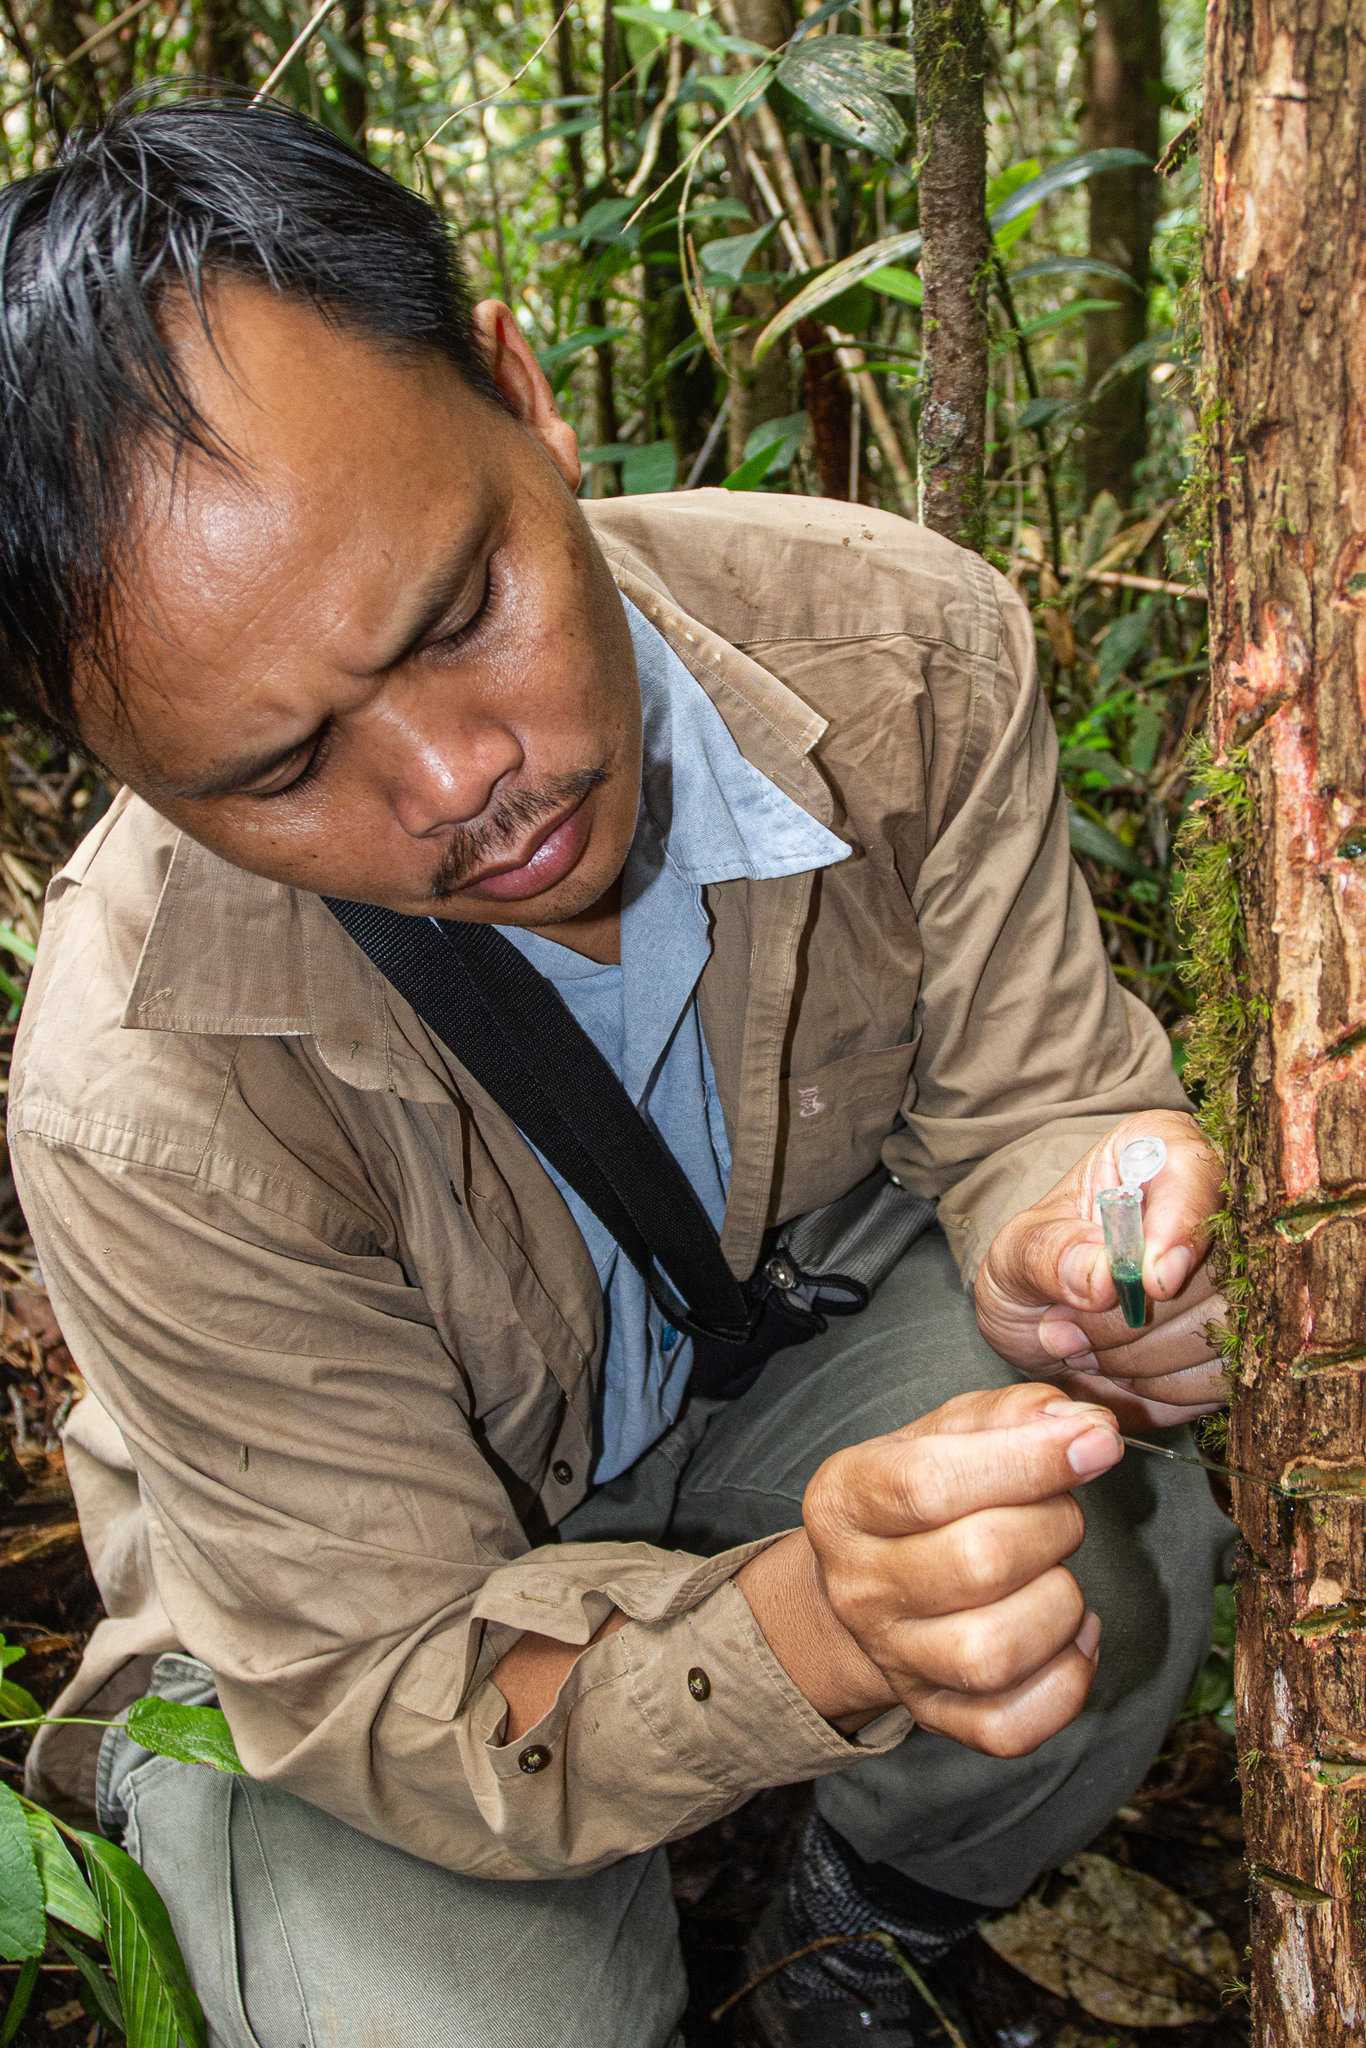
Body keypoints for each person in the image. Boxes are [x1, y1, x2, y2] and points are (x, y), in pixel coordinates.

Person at [3, 95, 1230, 2048]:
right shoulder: (142, 1088)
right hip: (357, 1591)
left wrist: (1078, 1227)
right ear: (127, 769)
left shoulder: (897, 654)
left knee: (1102, 1528)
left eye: (453, 612)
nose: (447, 783)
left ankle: (849, 1931)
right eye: (273, 770)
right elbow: (381, 1679)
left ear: (517, 394)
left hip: (758, 1376)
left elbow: (1038, 1102)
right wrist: (815, 1630)